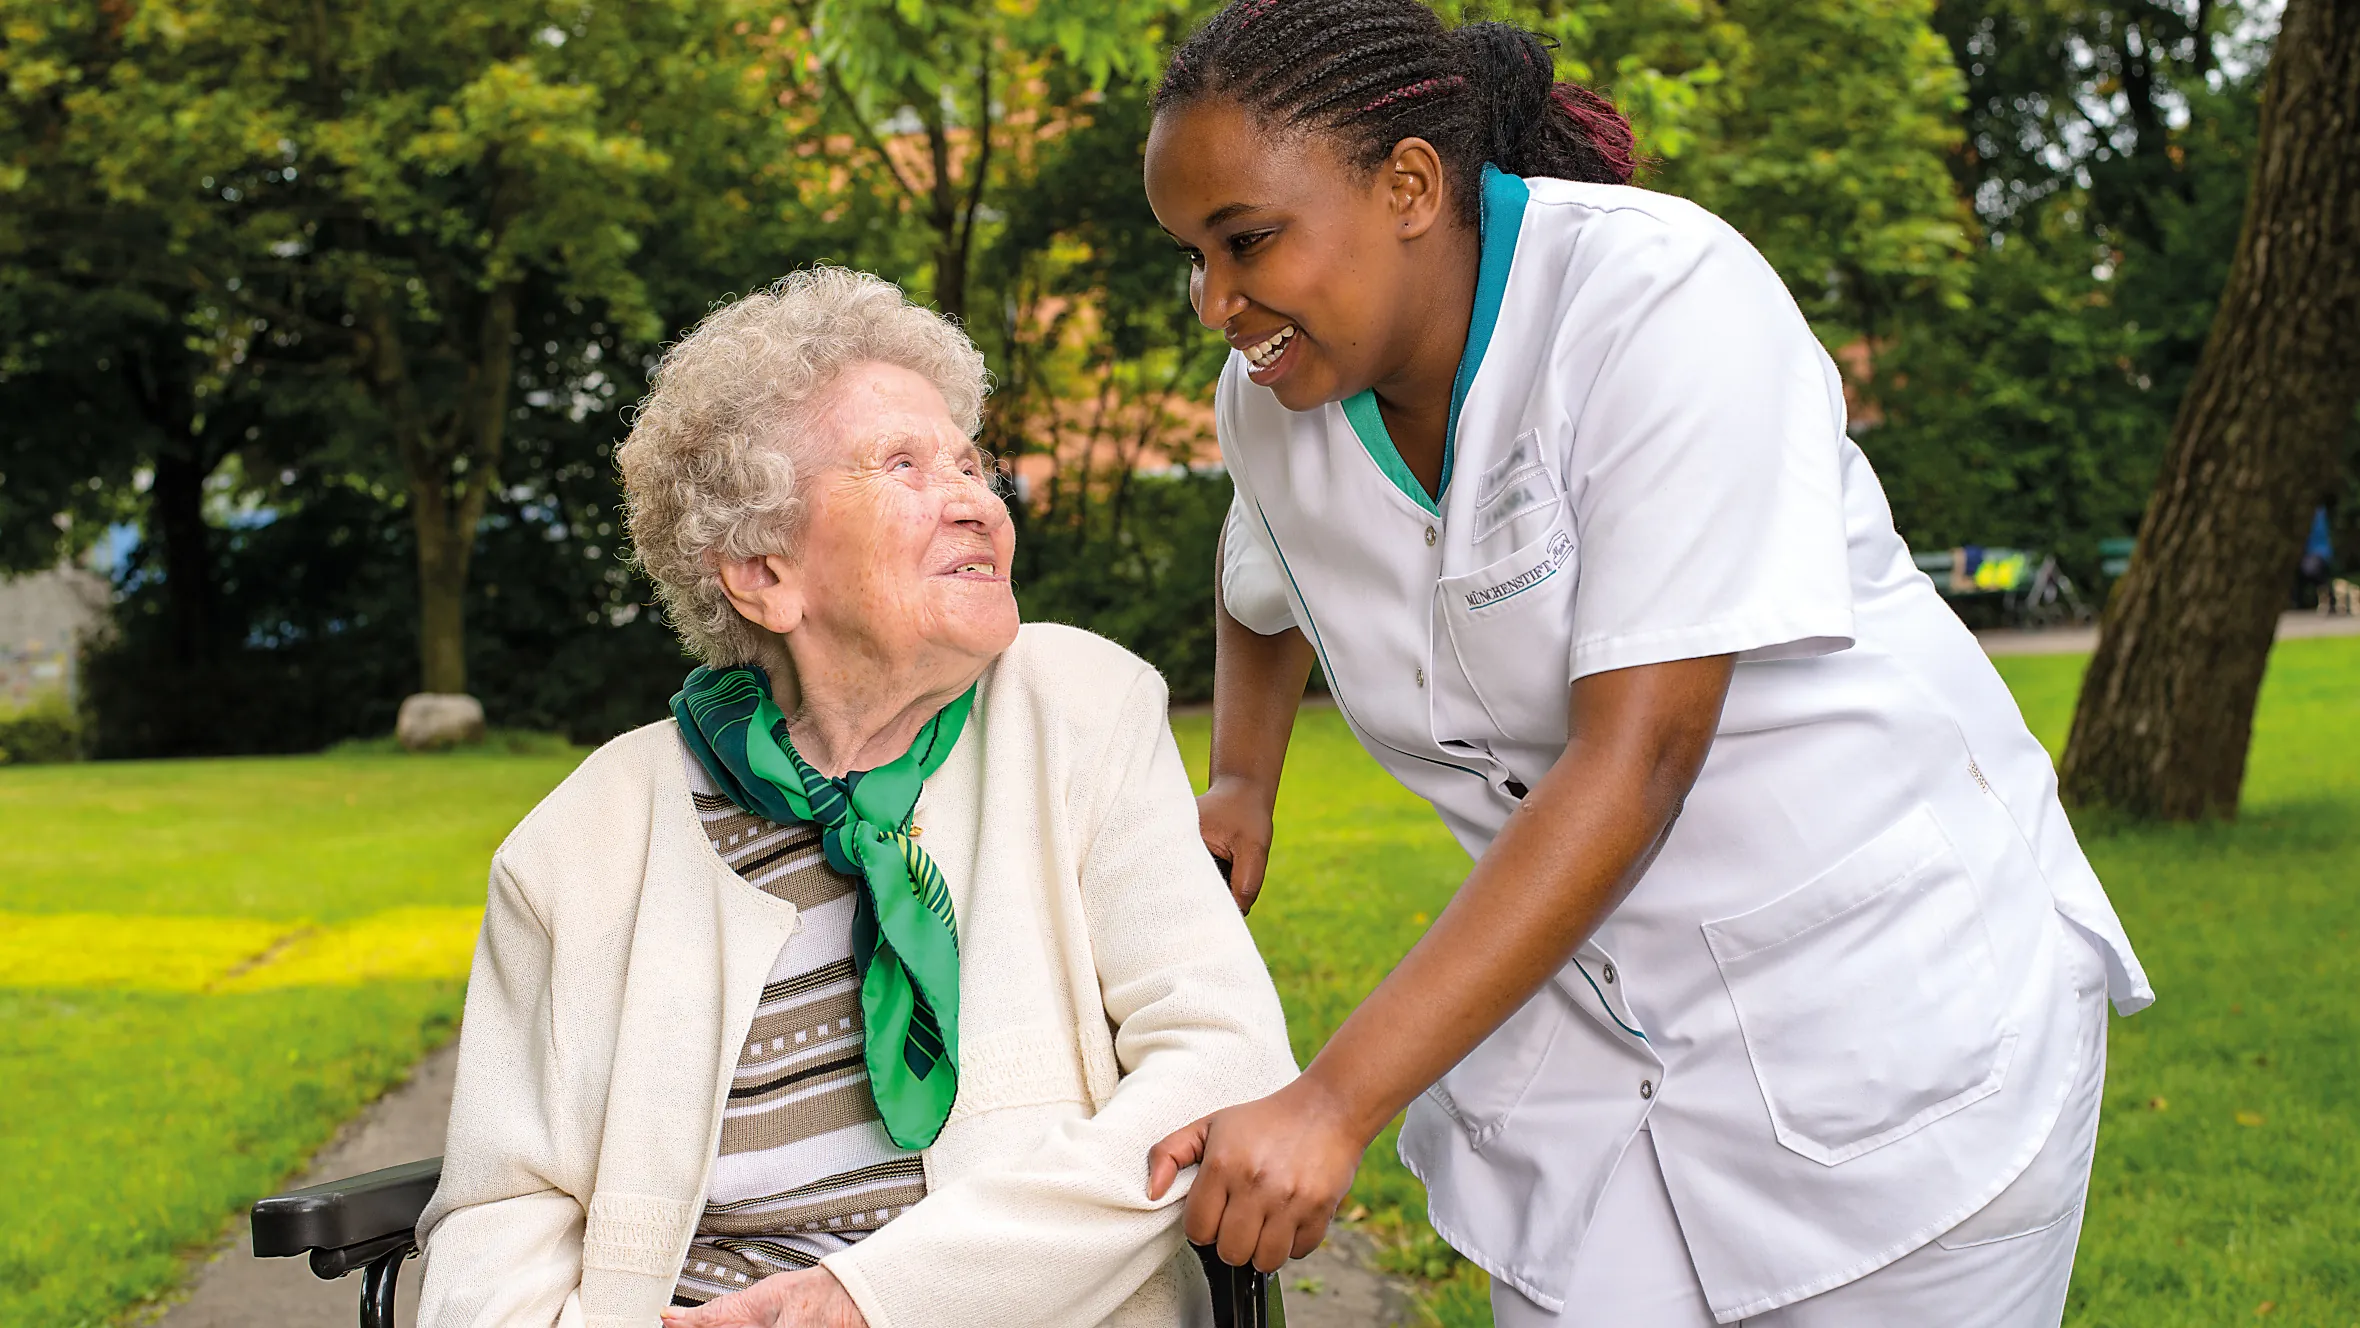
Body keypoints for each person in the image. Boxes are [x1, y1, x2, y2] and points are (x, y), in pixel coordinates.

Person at [1137, 2, 2153, 1324]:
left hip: (1891, 1021)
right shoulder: (1277, 400)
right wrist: (1240, 783)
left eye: (1247, 241)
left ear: (1407, 184)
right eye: (1192, 258)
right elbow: (1262, 578)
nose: (1217, 304)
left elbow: (1641, 753)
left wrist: (1332, 1104)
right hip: (1595, 1075)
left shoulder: (1657, 301)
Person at [413, 267, 1297, 1328]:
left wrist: (874, 1298)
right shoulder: (579, 842)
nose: (975, 497)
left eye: (971, 464)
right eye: (903, 465)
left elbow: (1223, 1054)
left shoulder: (1080, 710)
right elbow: (500, 1209)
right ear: (762, 572)